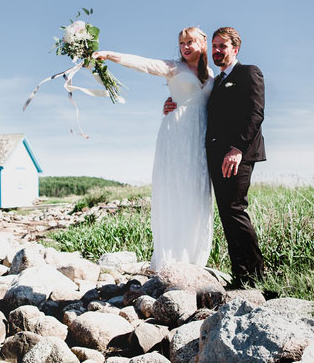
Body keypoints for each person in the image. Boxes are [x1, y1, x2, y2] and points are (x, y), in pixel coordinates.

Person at [93, 27, 215, 270]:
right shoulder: (173, 67)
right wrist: (110, 55)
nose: (185, 47)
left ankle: (193, 257)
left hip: (201, 136)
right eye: (182, 43)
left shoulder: (211, 73)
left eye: (191, 42)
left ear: (203, 42)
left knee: (197, 191)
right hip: (177, 132)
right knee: (175, 188)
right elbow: (144, 64)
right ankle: (171, 258)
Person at [164, 26, 265, 287]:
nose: (218, 50)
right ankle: (240, 276)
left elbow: (255, 114)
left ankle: (256, 277)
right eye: (215, 46)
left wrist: (237, 150)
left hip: (237, 156)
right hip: (216, 157)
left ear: (235, 49)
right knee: (227, 215)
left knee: (235, 210)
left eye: (223, 46)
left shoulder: (248, 73)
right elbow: (199, 105)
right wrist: (171, 101)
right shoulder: (216, 81)